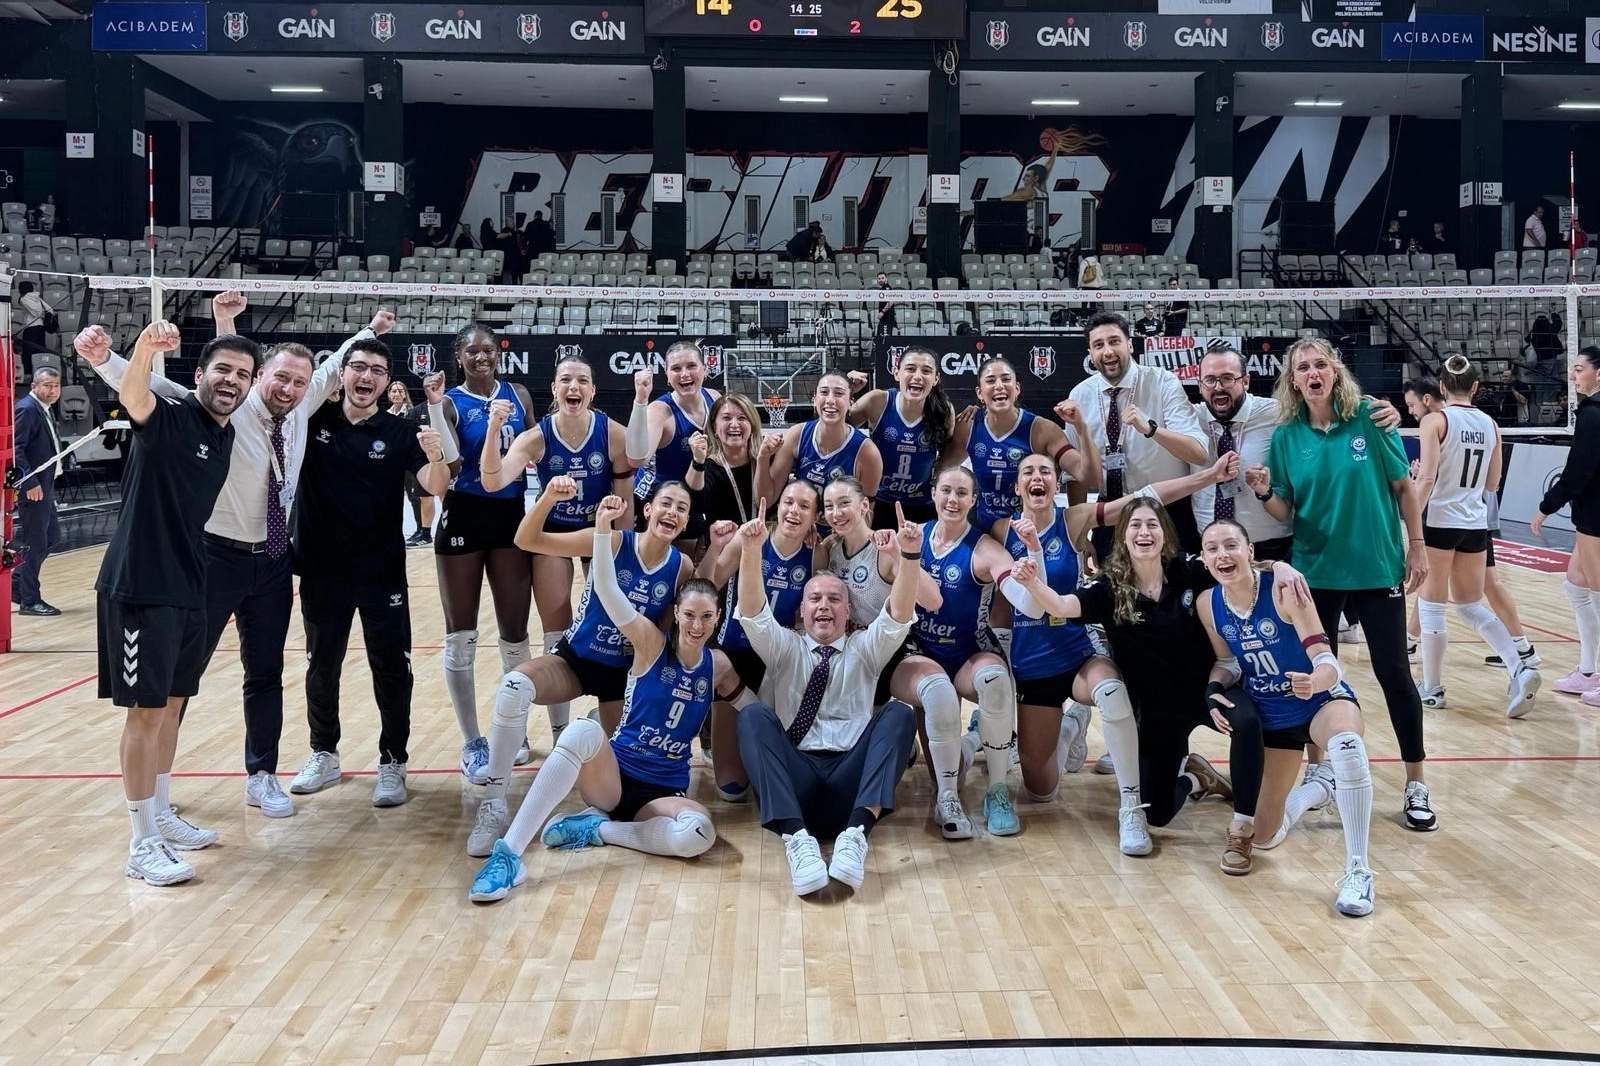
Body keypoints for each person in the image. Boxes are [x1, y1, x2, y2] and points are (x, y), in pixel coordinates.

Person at [77, 294, 394, 819]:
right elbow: (160, 388)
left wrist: (372, 329)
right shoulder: (229, 407)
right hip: (212, 558)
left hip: (273, 561)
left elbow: (338, 361)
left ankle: (261, 775)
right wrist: (103, 359)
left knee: (265, 672)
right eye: (280, 378)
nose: (289, 388)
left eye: (299, 381)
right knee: (176, 682)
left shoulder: (304, 405)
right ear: (260, 375)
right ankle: (155, 794)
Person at [467, 496, 728, 904]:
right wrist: (580, 515)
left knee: (693, 829)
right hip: (581, 660)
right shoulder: (614, 543)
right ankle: (500, 821)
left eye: (682, 507)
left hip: (624, 682)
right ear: (646, 509)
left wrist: (719, 546)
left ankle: (597, 828)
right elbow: (536, 544)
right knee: (528, 697)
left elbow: (700, 596)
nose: (672, 513)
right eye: (665, 503)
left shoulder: (683, 573)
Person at [1016, 498, 1305, 858]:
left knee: (1247, 721)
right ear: (1123, 537)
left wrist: (1279, 566)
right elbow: (1061, 606)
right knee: (1158, 813)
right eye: (1135, 525)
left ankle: (1242, 826)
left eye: (1152, 525)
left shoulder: (1188, 569)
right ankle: (1198, 777)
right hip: (1158, 713)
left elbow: (1238, 566)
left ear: (1164, 533)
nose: (1144, 532)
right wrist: (1032, 583)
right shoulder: (1108, 588)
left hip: (1207, 691)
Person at [1246, 337, 1435, 832]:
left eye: (1320, 365)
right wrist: (1264, 492)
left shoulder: (1370, 418)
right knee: (1316, 676)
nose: (1312, 373)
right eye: (1302, 367)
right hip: (1316, 573)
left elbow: (1403, 488)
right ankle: (1321, 769)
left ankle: (1416, 782)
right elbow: (1284, 510)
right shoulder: (1287, 436)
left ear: (1334, 372)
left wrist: (1417, 545)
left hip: (1377, 568)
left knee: (1395, 673)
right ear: (1292, 380)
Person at [95, 321, 256, 885]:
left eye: (242, 374)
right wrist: (141, 348)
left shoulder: (224, 432)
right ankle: (141, 842)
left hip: (189, 584)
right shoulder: (169, 417)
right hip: (141, 585)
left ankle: (160, 812)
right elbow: (134, 396)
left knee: (170, 705)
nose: (231, 381)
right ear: (200, 375)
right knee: (144, 714)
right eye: (222, 370)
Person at [995, 450, 1243, 809]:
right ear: (1017, 486)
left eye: (1046, 471)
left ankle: (1132, 806)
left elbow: (1145, 498)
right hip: (1032, 661)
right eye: (1028, 472)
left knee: (1112, 690)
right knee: (1039, 791)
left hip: (1077, 653)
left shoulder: (1073, 519)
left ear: (1056, 483)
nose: (1037, 477)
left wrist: (1208, 477)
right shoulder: (1001, 530)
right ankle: (1071, 726)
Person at [288, 339, 450, 807]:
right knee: (322, 667)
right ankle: (324, 753)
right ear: (341, 374)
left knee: (392, 669)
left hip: (381, 572)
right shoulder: (312, 421)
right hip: (322, 571)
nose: (366, 377)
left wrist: (437, 456)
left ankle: (393, 761)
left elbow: (434, 486)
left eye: (377, 371)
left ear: (386, 381)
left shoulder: (401, 430)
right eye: (358, 367)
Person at [733, 500, 924, 897]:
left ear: (848, 610)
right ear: (801, 611)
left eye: (834, 599)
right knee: (752, 717)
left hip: (850, 782)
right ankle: (796, 839)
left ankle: (856, 835)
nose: (824, 605)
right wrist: (751, 552)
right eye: (815, 599)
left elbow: (898, 614)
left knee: (899, 715)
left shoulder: (865, 647)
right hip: (797, 781)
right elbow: (753, 613)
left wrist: (909, 557)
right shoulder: (785, 646)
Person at [1197, 519, 1377, 916]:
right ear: (1204, 558)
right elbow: (1228, 663)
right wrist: (1213, 687)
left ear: (1250, 551)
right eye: (1212, 548)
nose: (1222, 554)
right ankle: (1320, 788)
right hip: (1272, 718)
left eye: (1231, 545)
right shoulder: (1208, 604)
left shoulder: (1284, 591)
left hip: (1320, 703)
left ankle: (1358, 871)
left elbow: (1328, 661)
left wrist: (1314, 682)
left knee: (1347, 746)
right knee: (1263, 837)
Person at [477, 352, 639, 751]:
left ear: (593, 391)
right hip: (553, 532)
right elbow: (493, 481)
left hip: (599, 533)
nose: (573, 386)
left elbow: (626, 498)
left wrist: (624, 547)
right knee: (556, 629)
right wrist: (493, 428)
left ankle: (616, 718)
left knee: (615, 624)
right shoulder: (537, 437)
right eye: (566, 379)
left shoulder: (612, 433)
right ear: (554, 388)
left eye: (582, 380)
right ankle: (559, 732)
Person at [426, 322, 539, 783]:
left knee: (515, 631)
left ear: (498, 354)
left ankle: (516, 727)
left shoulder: (519, 394)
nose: (480, 357)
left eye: (487, 350)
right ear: (459, 357)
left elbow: (536, 446)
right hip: (463, 515)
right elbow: (452, 464)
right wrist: (436, 407)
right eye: (471, 351)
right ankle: (473, 739)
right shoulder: (450, 402)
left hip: (510, 516)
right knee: (461, 634)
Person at [1411, 355, 1541, 718]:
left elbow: (1427, 478)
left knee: (1431, 605)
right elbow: (1492, 483)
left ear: (1441, 387)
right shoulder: (1491, 424)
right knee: (1469, 605)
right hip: (1474, 523)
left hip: (1440, 520)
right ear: (1475, 387)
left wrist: (1408, 523)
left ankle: (1432, 688)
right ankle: (1518, 667)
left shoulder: (1435, 421)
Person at [896, 467, 1020, 837]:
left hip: (970, 652)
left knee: (996, 682)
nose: (952, 499)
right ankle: (949, 792)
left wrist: (1024, 580)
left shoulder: (983, 548)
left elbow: (1012, 581)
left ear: (973, 500)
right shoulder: (912, 536)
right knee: (949, 772)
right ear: (933, 493)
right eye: (946, 490)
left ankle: (997, 791)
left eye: (962, 493)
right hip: (922, 652)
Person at [696, 480, 821, 798]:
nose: (794, 511)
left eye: (804, 506)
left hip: (778, 660)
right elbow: (707, 585)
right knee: (731, 790)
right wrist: (715, 547)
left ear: (815, 518)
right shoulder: (750, 536)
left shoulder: (816, 553)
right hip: (736, 653)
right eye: (789, 502)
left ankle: (782, 743)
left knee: (780, 775)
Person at [1068, 311, 1209, 553]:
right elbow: (1075, 474)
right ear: (1090, 353)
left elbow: (1199, 453)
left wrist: (1151, 429)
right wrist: (1079, 533)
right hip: (1110, 513)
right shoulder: (1080, 395)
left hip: (1167, 510)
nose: (1108, 351)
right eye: (1098, 345)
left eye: (1114, 341)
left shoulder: (1163, 382)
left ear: (1130, 344)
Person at [957, 356, 1100, 527]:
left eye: (1006, 379)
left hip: (1031, 529)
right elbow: (941, 469)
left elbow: (1091, 479)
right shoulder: (967, 426)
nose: (999, 386)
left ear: (1017, 388)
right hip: (985, 528)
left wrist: (1081, 427)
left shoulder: (1042, 430)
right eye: (991, 381)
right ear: (980, 393)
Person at [1189, 347, 1297, 562]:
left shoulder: (1278, 413)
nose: (1218, 387)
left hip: (1270, 546)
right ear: (1200, 385)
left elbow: (1324, 411)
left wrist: (1364, 406)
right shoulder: (1190, 418)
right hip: (1212, 548)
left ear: (1245, 381)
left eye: (1227, 378)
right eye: (1210, 380)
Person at [1535, 347, 1600, 703]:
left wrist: (1546, 507)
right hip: (1590, 514)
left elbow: (1577, 471)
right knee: (1576, 584)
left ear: (1598, 373)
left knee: (1598, 591)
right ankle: (1588, 670)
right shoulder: (1590, 411)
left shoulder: (1593, 414)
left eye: (1579, 369)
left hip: (1596, 516)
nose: (1572, 375)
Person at [846, 346, 965, 526]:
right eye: (910, 369)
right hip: (878, 501)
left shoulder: (943, 410)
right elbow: (836, 430)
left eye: (926, 371)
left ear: (935, 379)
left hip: (922, 502)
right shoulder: (878, 401)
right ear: (897, 373)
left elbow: (949, 453)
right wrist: (846, 389)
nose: (918, 376)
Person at [626, 340, 721, 547]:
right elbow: (636, 459)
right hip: (655, 498)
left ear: (704, 369)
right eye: (676, 369)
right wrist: (641, 400)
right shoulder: (660, 411)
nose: (684, 374)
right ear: (668, 376)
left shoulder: (715, 399)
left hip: (692, 494)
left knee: (687, 563)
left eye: (691, 366)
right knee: (655, 562)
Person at [761, 372, 882, 527]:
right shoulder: (797, 435)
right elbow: (766, 499)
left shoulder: (867, 452)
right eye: (824, 392)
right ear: (815, 399)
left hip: (842, 535)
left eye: (839, 393)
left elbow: (866, 516)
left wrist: (839, 537)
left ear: (851, 403)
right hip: (800, 531)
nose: (830, 400)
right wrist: (762, 458)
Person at [11, 367, 62, 616]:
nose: (53, 390)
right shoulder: (27, 409)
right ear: (34, 386)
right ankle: (29, 601)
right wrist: (28, 482)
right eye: (47, 385)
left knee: (51, 538)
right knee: (35, 542)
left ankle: (16, 585)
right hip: (33, 487)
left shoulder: (42, 408)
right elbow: (15, 449)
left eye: (56, 386)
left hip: (45, 485)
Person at [696, 393, 765, 528]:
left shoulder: (765, 461)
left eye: (742, 418)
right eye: (726, 418)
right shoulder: (707, 468)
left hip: (765, 539)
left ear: (752, 425)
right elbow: (696, 506)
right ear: (714, 427)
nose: (734, 424)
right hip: (724, 540)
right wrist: (697, 460)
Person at [388, 381, 434, 547]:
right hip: (397, 460)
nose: (396, 394)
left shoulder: (412, 412)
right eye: (393, 391)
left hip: (415, 459)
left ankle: (425, 531)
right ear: (389, 394)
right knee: (411, 497)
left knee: (423, 496)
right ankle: (418, 529)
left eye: (400, 391)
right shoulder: (386, 413)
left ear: (405, 394)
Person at [15, 280, 52, 376]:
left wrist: (41, 314)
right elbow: (50, 309)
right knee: (40, 349)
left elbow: (37, 312)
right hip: (41, 327)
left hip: (31, 327)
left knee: (28, 351)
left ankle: (28, 373)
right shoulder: (37, 298)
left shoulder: (23, 299)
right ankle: (40, 372)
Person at [875, 272, 897, 342]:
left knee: (885, 339)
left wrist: (882, 312)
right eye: (879, 278)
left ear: (886, 278)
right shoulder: (882, 289)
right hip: (883, 319)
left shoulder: (887, 288)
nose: (881, 280)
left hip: (887, 319)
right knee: (880, 338)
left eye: (882, 278)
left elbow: (891, 302)